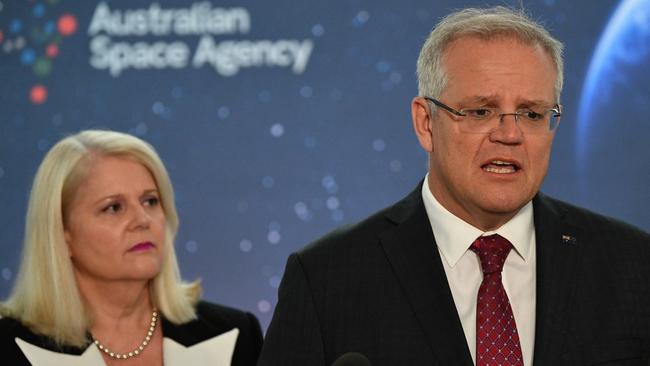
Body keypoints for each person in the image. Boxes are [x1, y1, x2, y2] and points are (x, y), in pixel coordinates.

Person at [258, 6, 650, 366]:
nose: (510, 134)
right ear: (426, 123)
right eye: (481, 111)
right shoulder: (329, 278)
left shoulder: (631, 264)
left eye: (532, 113)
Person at [0, 130, 263, 365]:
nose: (142, 220)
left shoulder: (235, 334)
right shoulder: (8, 348)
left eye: (150, 201)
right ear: (61, 233)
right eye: (113, 207)